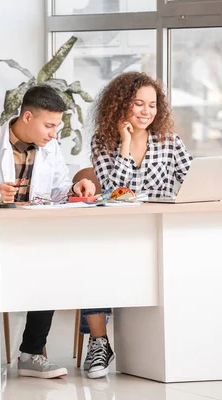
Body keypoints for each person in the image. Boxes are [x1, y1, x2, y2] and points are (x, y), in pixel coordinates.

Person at [0, 85, 95, 379]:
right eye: (49, 125)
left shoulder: (50, 148)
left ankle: (31, 353)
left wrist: (73, 190)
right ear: (27, 116)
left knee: (51, 274)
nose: (54, 133)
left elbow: (56, 190)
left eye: (57, 126)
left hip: (33, 235)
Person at [84, 71, 193, 379]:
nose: (147, 112)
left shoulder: (170, 141)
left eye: (152, 105)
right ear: (120, 106)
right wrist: (127, 144)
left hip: (162, 229)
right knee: (92, 263)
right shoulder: (103, 142)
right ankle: (99, 342)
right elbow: (115, 189)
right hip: (117, 230)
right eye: (138, 104)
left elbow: (192, 179)